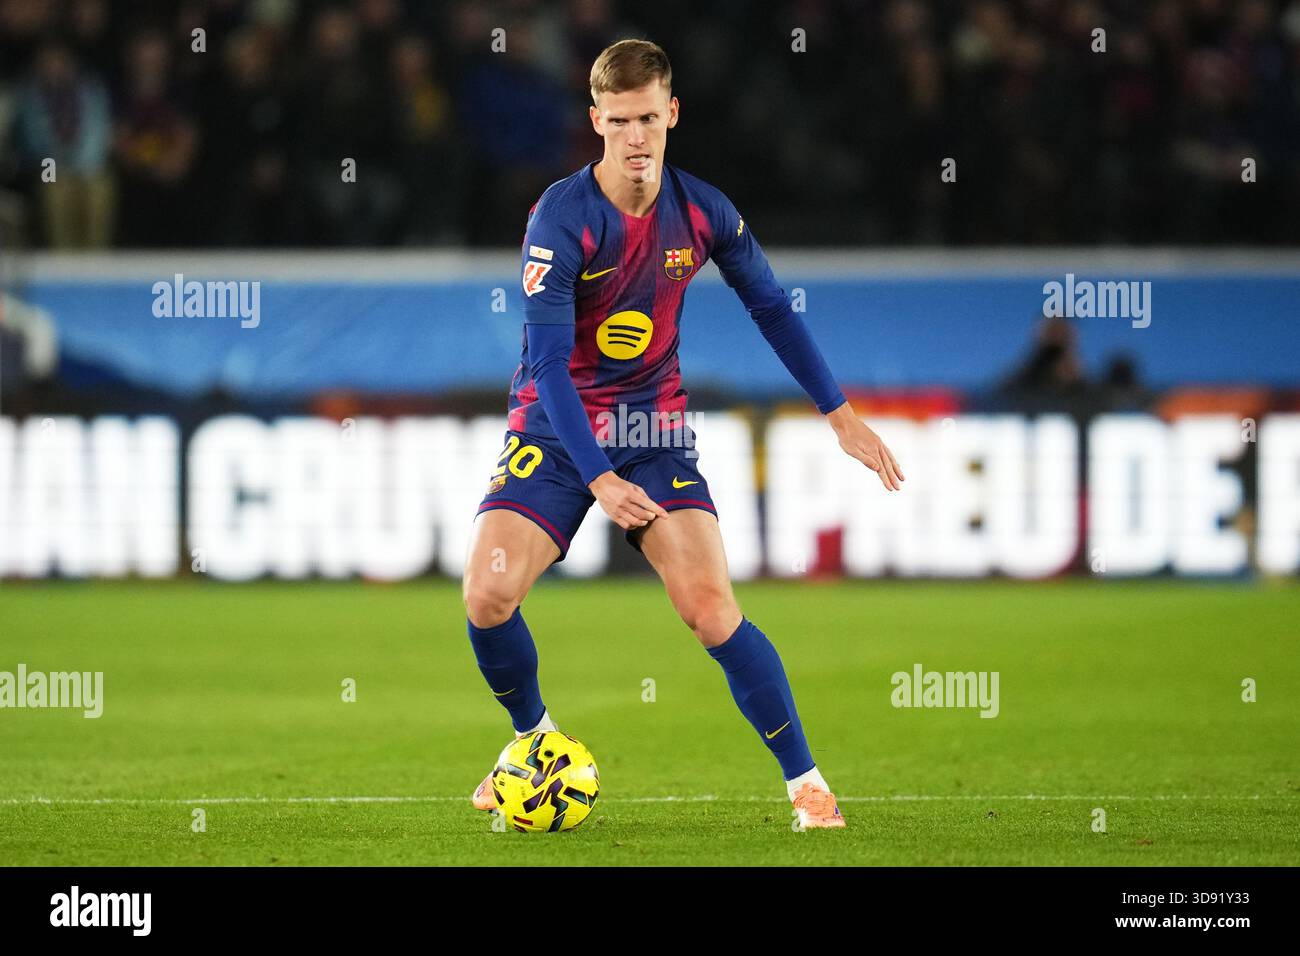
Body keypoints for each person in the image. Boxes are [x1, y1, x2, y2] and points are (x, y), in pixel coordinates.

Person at [462, 39, 903, 829]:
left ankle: (807, 784)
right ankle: (532, 739)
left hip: (653, 427)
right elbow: (551, 368)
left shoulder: (705, 212)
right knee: (488, 594)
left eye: (649, 119)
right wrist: (597, 477)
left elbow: (770, 306)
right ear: (596, 121)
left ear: (672, 113)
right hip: (556, 429)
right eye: (619, 121)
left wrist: (839, 414)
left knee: (708, 606)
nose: (636, 138)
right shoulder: (560, 220)